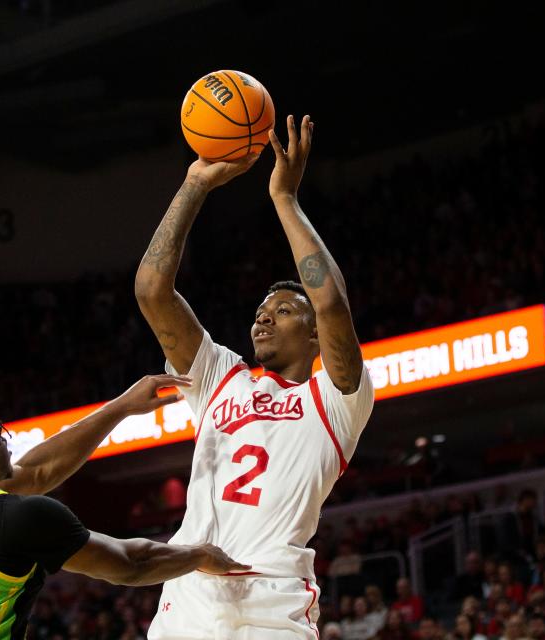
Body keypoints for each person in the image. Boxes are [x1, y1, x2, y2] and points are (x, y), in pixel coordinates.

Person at [135, 114, 374, 639]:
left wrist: (284, 199)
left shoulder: (335, 401)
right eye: (262, 309)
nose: (263, 316)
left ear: (314, 336)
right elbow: (153, 290)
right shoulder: (222, 375)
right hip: (190, 599)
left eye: (285, 310)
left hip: (273, 605)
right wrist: (194, 183)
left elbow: (330, 300)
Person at [0, 376, 247, 639]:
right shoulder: (13, 518)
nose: (3, 432)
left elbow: (38, 471)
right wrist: (200, 555)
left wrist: (121, 407)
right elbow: (132, 565)